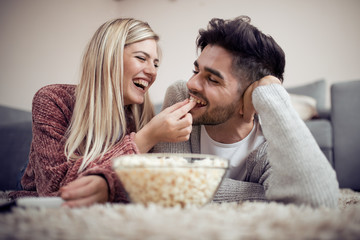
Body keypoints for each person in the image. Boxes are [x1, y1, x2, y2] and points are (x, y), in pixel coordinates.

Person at [154, 16, 340, 208]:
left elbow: (318, 200)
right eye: (196, 71)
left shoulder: (269, 145)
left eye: (212, 79)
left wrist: (269, 91)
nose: (191, 84)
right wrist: (265, 193)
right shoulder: (181, 95)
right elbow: (171, 187)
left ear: (249, 98)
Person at [8, 18, 195, 207]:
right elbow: (56, 191)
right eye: (141, 58)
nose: (152, 72)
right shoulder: (52, 100)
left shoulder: (142, 119)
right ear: (108, 57)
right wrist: (145, 139)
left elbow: (143, 189)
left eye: (156, 64)